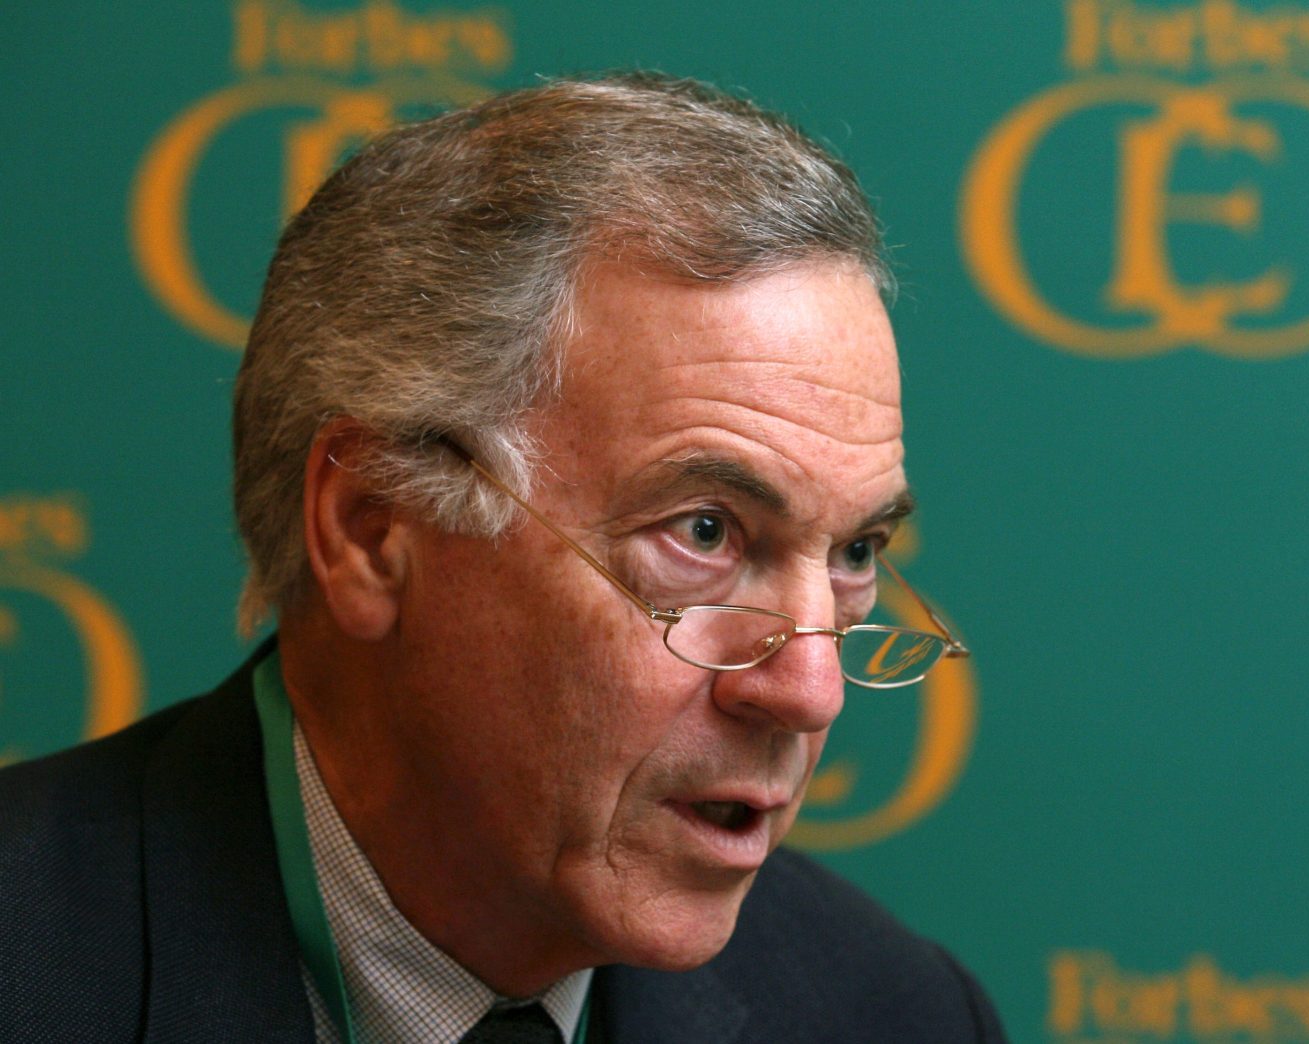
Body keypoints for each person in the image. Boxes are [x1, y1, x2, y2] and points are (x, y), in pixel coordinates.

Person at [0, 73, 1008, 1042]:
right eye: (705, 532)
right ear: (371, 528)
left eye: (856, 551)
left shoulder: (892, 1013)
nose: (812, 688)